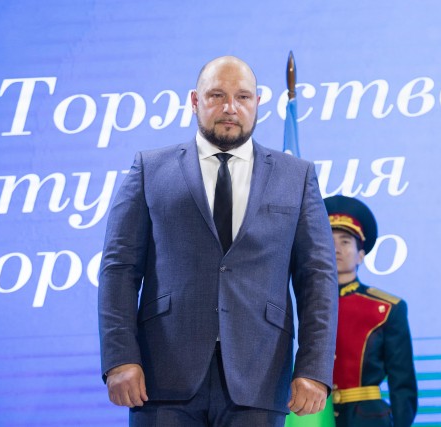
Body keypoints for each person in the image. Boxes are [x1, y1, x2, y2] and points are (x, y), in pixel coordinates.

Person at [98, 55, 338, 427]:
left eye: (242, 97)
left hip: (261, 376)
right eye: (217, 96)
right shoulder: (150, 169)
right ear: (195, 101)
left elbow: (317, 278)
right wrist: (120, 358)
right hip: (161, 377)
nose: (230, 108)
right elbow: (119, 270)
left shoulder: (297, 176)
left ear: (258, 103)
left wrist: (313, 367)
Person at [324, 195, 418, 427]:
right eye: (328, 240)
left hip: (368, 418)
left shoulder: (387, 309)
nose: (336, 249)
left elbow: (402, 383)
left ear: (361, 254)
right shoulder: (301, 303)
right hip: (313, 417)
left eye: (345, 242)